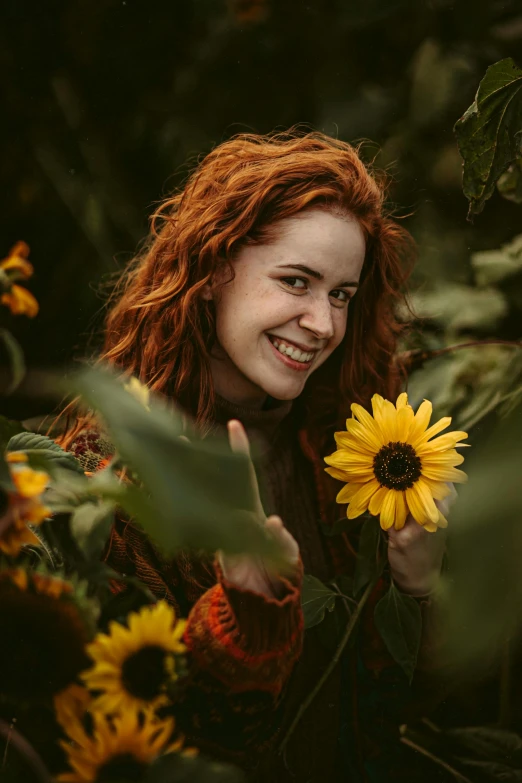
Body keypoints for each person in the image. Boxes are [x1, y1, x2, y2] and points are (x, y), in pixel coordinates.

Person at [59, 130, 449, 782]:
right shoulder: (109, 473)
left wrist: (421, 593)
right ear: (214, 272)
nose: (323, 324)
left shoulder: (350, 444)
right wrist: (246, 622)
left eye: (341, 294)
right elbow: (136, 742)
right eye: (296, 281)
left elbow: (383, 719)